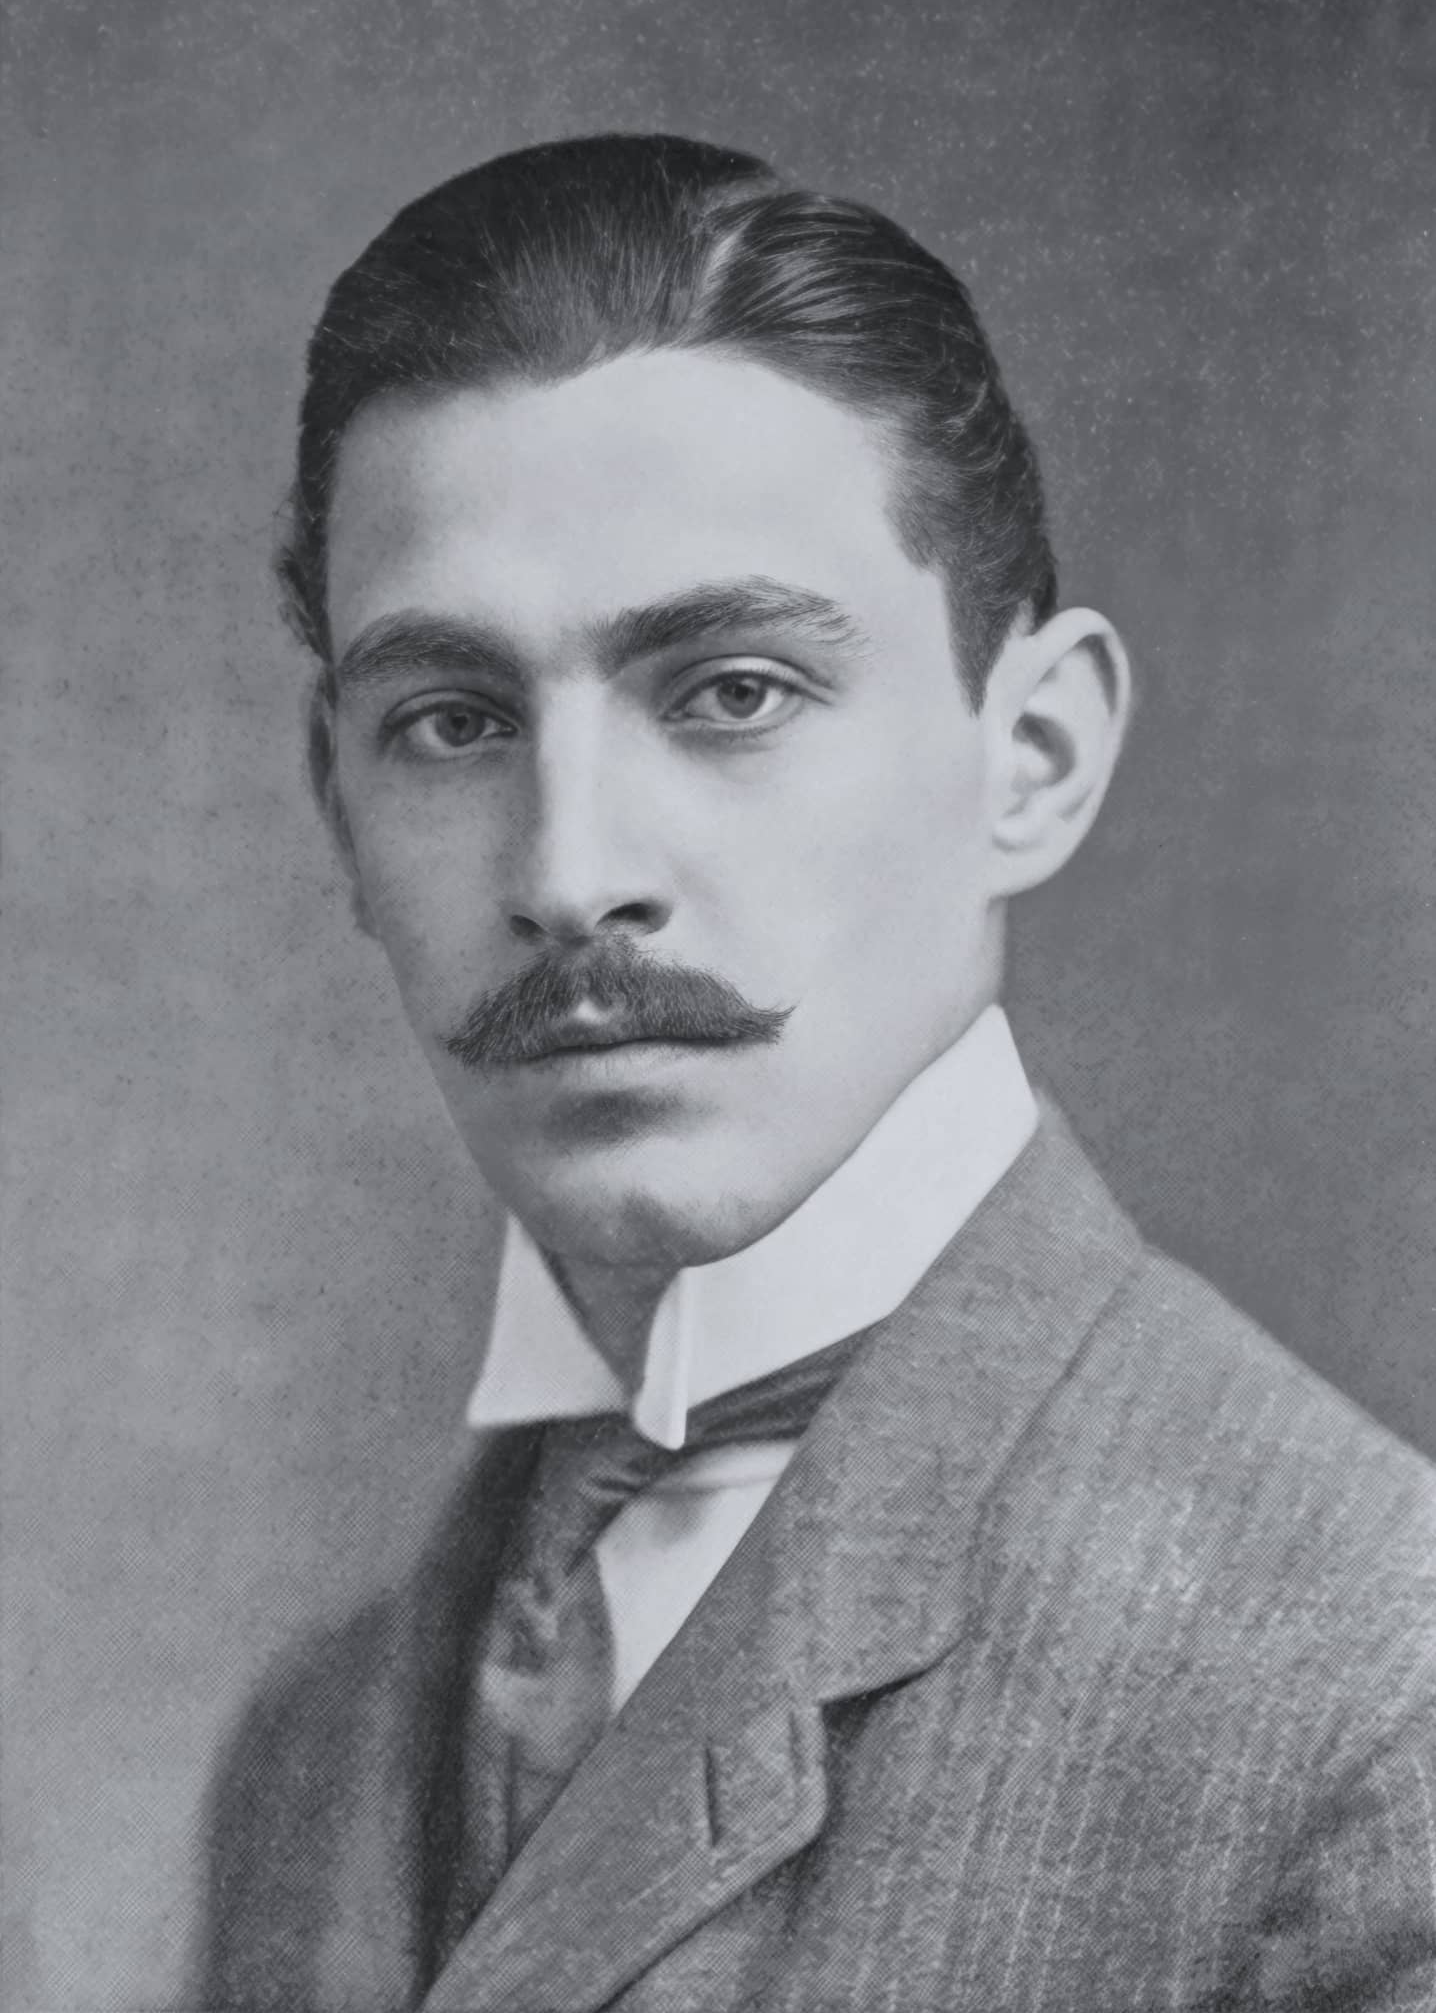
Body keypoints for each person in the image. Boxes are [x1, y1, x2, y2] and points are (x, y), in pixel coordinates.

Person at [194, 134, 1436, 2012]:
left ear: (1033, 756)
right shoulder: (310, 1751)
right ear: (337, 808)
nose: (568, 873)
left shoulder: (1372, 1710)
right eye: (451, 722)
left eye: (732, 692)